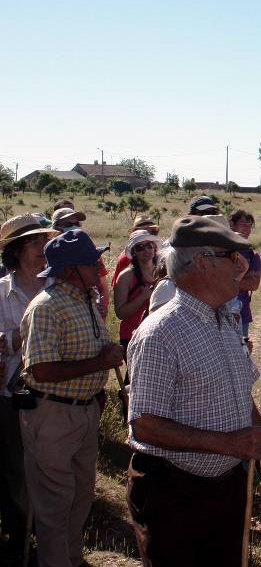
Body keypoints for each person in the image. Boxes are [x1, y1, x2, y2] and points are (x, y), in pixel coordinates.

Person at [125, 216, 261, 567]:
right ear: (201, 263)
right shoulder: (160, 333)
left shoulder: (223, 319)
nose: (242, 266)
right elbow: (144, 425)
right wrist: (230, 444)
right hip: (174, 495)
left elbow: (240, 391)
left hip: (226, 488)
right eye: (232, 256)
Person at [19, 229, 125, 567]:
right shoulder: (46, 308)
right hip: (52, 414)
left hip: (84, 411)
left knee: (80, 496)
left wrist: (101, 374)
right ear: (69, 270)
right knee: (54, 504)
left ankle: (73, 558)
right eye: (91, 261)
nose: (100, 265)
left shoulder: (87, 300)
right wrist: (101, 361)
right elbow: (41, 371)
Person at [0, 215, 58, 564]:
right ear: (16, 251)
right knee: (14, 470)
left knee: (51, 468)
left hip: (54, 394)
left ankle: (51, 535)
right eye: (35, 243)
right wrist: (17, 336)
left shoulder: (58, 287)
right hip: (11, 396)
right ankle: (20, 533)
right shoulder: (0, 292)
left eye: (44, 242)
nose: (43, 248)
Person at [51, 205, 111, 320]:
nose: (74, 227)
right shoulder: (48, 256)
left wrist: (102, 305)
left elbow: (102, 286)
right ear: (55, 228)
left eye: (77, 224)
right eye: (68, 225)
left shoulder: (91, 252)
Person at [113, 229, 162, 354]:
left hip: (159, 335)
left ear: (155, 247)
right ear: (133, 252)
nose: (146, 250)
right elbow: (120, 313)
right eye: (140, 247)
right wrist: (142, 297)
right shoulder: (126, 277)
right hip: (131, 335)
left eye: (149, 245)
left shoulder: (163, 273)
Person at [228, 210, 261, 342]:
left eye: (249, 226)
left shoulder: (253, 255)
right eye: (243, 224)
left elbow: (254, 284)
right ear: (231, 224)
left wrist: (230, 278)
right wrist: (245, 276)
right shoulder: (222, 251)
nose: (247, 229)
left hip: (243, 313)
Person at [112, 216, 161, 286]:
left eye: (153, 231)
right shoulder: (125, 258)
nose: (148, 234)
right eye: (144, 231)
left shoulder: (162, 254)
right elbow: (118, 287)